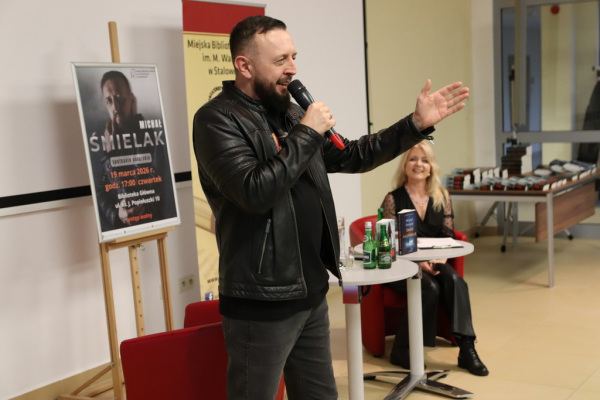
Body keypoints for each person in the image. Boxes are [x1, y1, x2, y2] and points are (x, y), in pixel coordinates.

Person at [193, 15, 469, 399]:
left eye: (294, 57)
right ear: (244, 65)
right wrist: (307, 132)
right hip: (261, 299)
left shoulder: (290, 113)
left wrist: (414, 125)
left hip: (311, 291)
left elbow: (352, 154)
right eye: (280, 60)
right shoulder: (216, 119)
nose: (292, 69)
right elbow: (254, 191)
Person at [380, 141, 489, 376]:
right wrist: (418, 263)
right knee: (428, 287)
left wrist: (440, 259)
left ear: (431, 167)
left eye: (425, 160)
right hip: (401, 266)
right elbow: (387, 242)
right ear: (404, 165)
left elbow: (448, 235)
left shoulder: (442, 196)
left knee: (455, 281)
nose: (418, 164)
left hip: (436, 259)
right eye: (413, 159)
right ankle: (402, 349)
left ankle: (467, 349)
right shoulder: (393, 199)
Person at [93, 70, 175, 230]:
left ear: (131, 100)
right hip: (122, 230)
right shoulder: (111, 139)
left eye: (119, 98)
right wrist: (116, 215)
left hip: (150, 226)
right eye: (109, 101)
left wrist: (111, 155)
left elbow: (136, 194)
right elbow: (101, 191)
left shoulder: (151, 139)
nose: (115, 107)